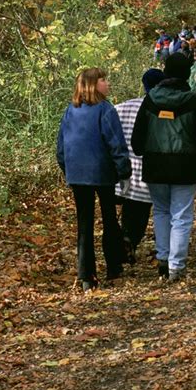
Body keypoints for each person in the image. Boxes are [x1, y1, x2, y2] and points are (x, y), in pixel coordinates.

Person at [131, 53, 196, 281]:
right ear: (187, 72)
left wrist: (143, 149)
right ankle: (176, 267)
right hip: (184, 165)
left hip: (155, 165)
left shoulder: (149, 101)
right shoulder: (194, 101)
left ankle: (163, 258)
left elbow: (137, 139)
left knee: (160, 211)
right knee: (181, 215)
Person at [56, 68, 131, 292]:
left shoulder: (70, 110)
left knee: (84, 223)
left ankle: (86, 274)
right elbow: (116, 144)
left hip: (77, 174)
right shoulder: (105, 110)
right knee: (109, 217)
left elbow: (61, 147)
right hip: (102, 172)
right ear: (92, 85)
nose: (107, 83)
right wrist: (124, 172)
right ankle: (114, 266)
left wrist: (68, 168)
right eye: (103, 80)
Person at [115, 68, 165, 264]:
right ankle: (131, 241)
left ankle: (125, 241)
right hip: (148, 172)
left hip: (122, 172)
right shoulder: (160, 109)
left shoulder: (121, 108)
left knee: (128, 209)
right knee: (142, 212)